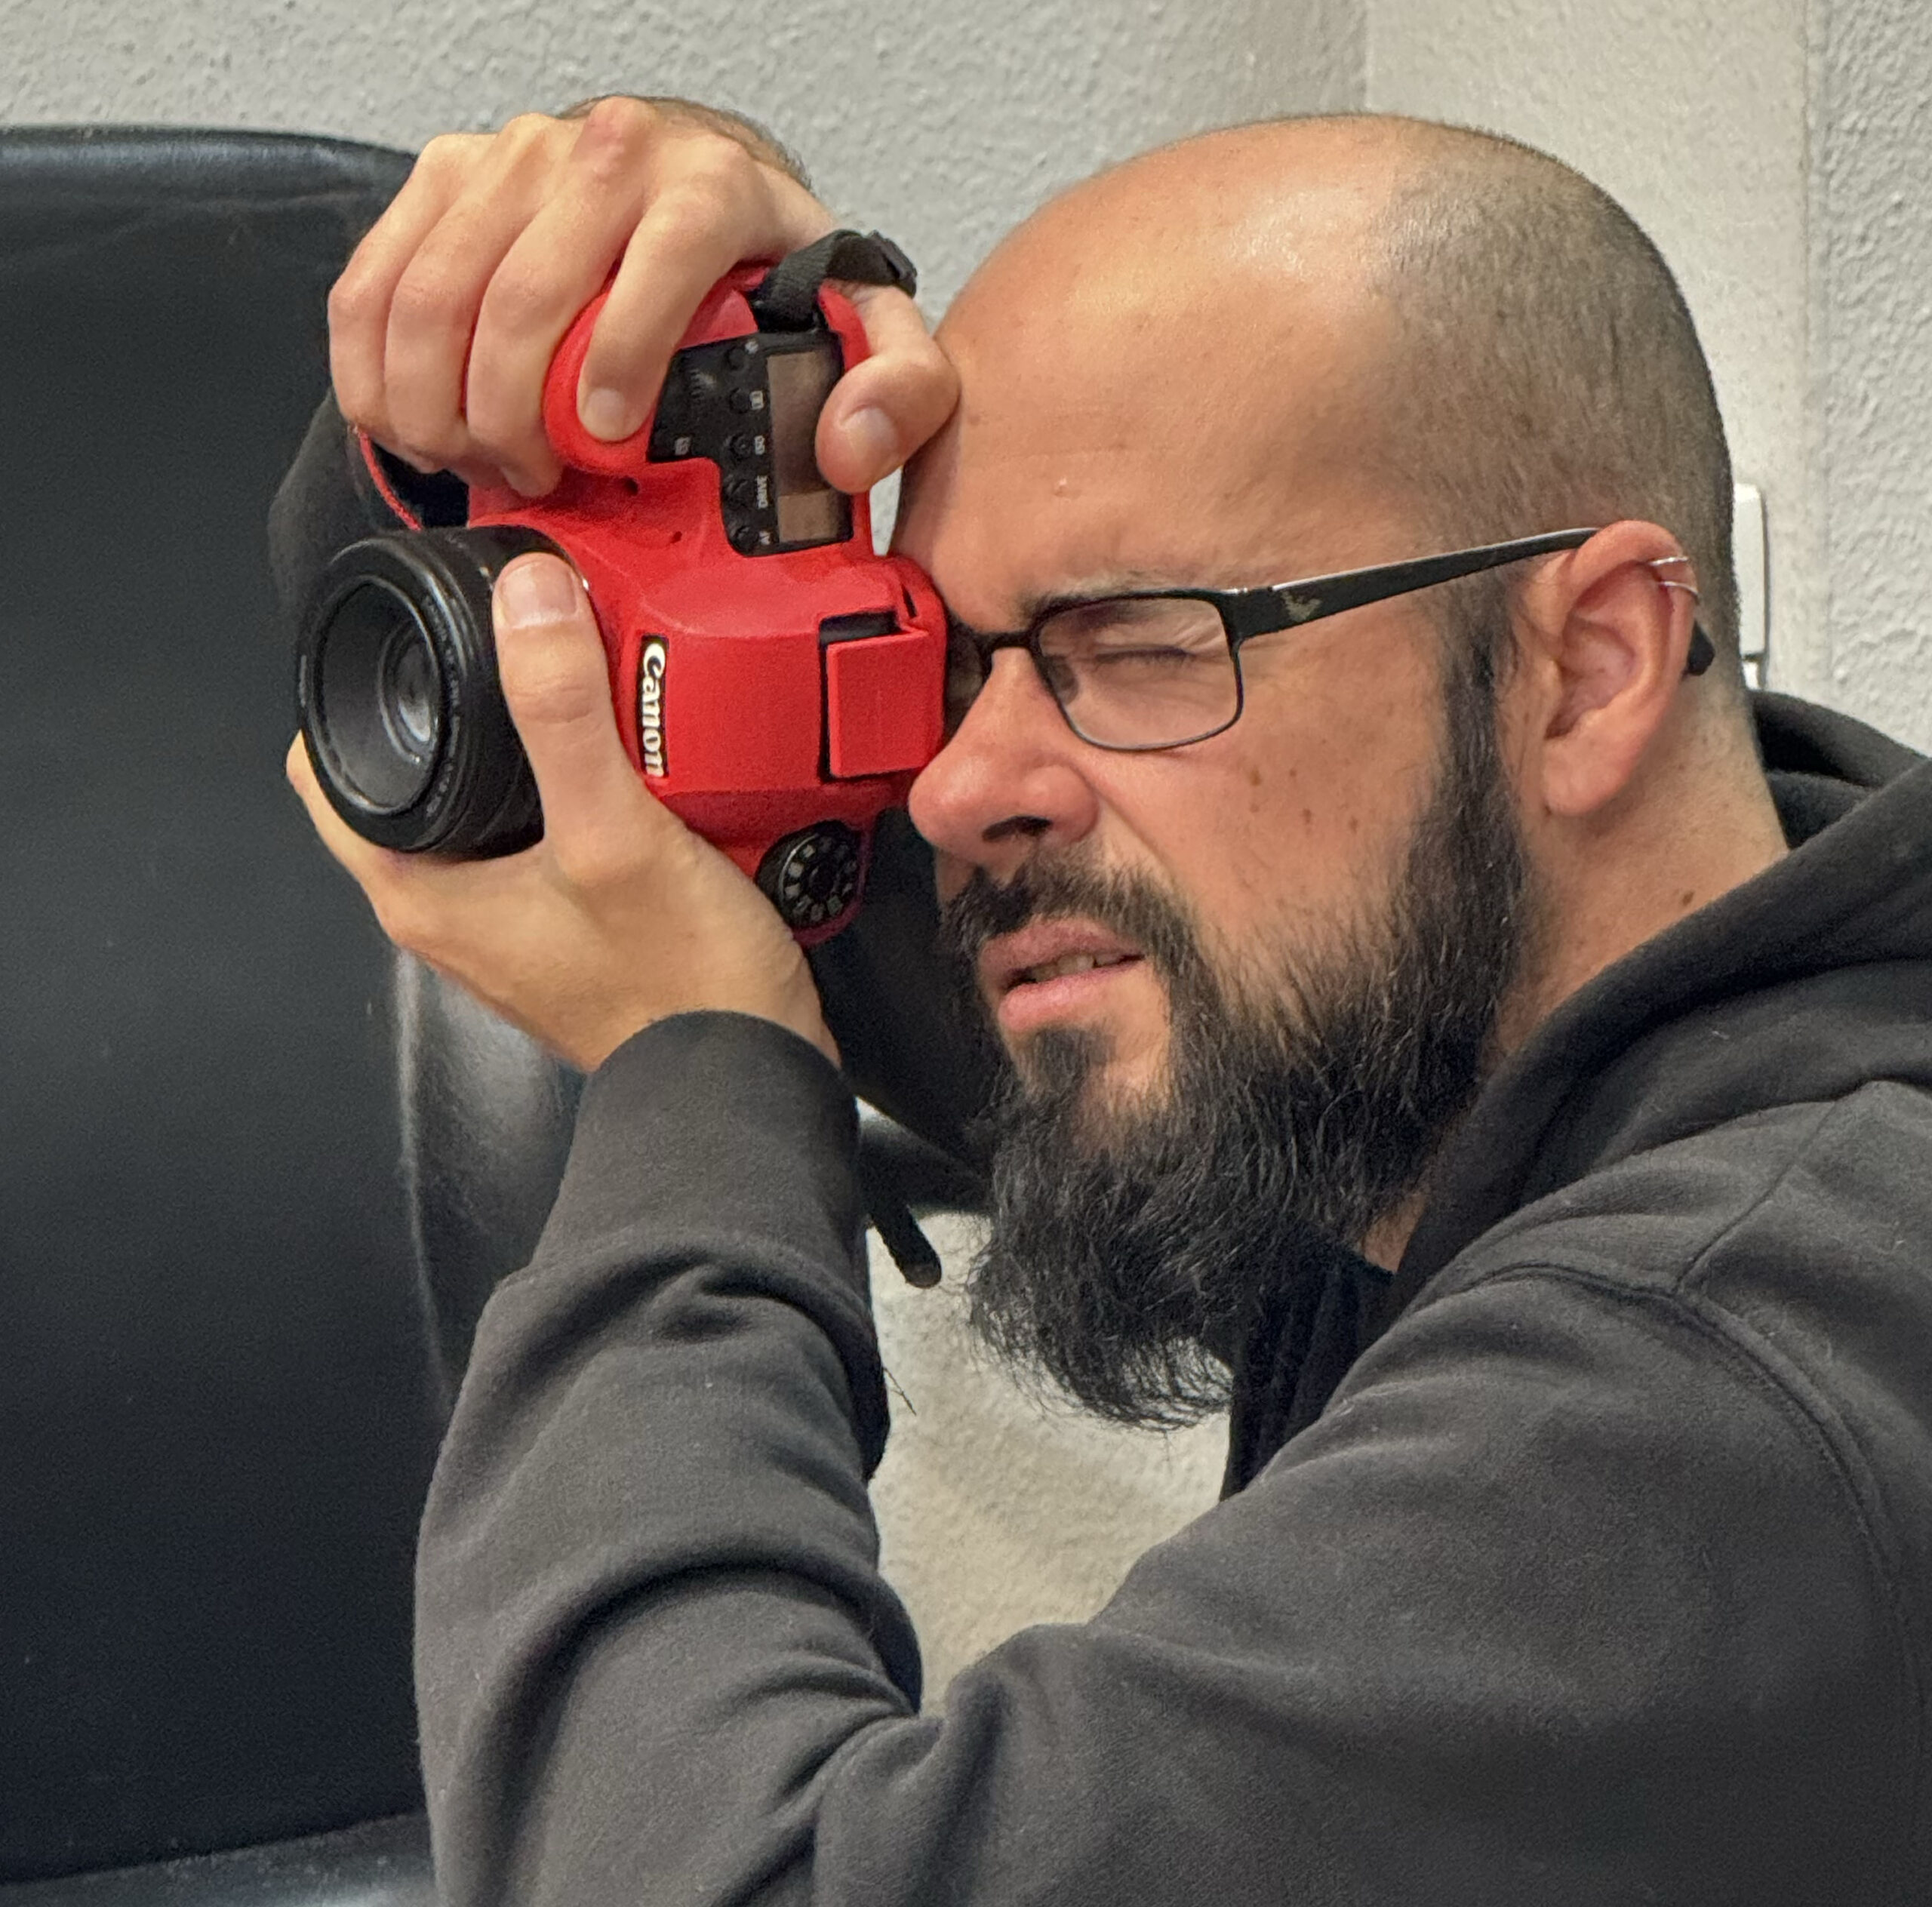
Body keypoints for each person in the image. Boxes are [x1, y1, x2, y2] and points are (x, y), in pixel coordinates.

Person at [277, 97, 1932, 1902]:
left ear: (1587, 664)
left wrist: (696, 1077)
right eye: (955, 661)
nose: (954, 787)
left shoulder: (1734, 1377)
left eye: (1136, 642)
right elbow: (501, 730)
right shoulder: (1428, 1030)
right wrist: (593, 308)